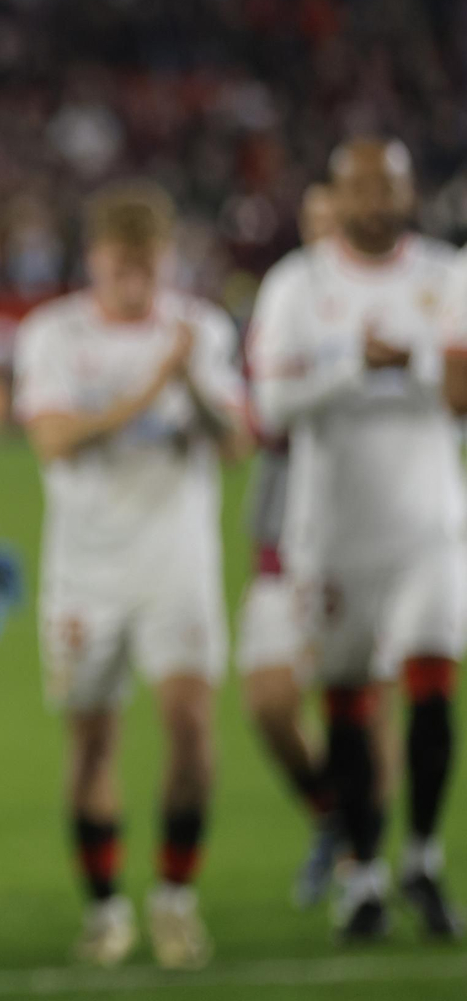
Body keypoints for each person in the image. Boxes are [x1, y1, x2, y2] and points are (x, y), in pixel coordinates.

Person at [13, 181, 250, 971]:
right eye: (120, 267)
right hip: (84, 569)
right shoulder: (54, 335)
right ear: (95, 262)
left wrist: (189, 380)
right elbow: (53, 440)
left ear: (168, 260)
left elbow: (235, 441)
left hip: (175, 560)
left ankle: (175, 900)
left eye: (147, 267)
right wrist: (153, 386)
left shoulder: (201, 333)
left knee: (190, 727)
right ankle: (107, 909)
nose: (135, 283)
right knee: (91, 742)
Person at [253, 137, 464, 941]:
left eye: (390, 186)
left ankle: (422, 856)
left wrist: (401, 363)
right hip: (331, 529)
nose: (375, 200)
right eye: (359, 187)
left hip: (430, 525)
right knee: (344, 698)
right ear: (333, 198)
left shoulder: (447, 276)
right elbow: (272, 406)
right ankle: (366, 872)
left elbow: (460, 394)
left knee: (431, 680)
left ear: (411, 195)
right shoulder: (296, 285)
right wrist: (352, 367)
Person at [237, 183, 351, 907]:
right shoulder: (283, 303)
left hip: (361, 529)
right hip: (282, 533)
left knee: (354, 697)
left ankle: (359, 864)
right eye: (312, 223)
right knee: (270, 702)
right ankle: (334, 820)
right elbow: (259, 417)